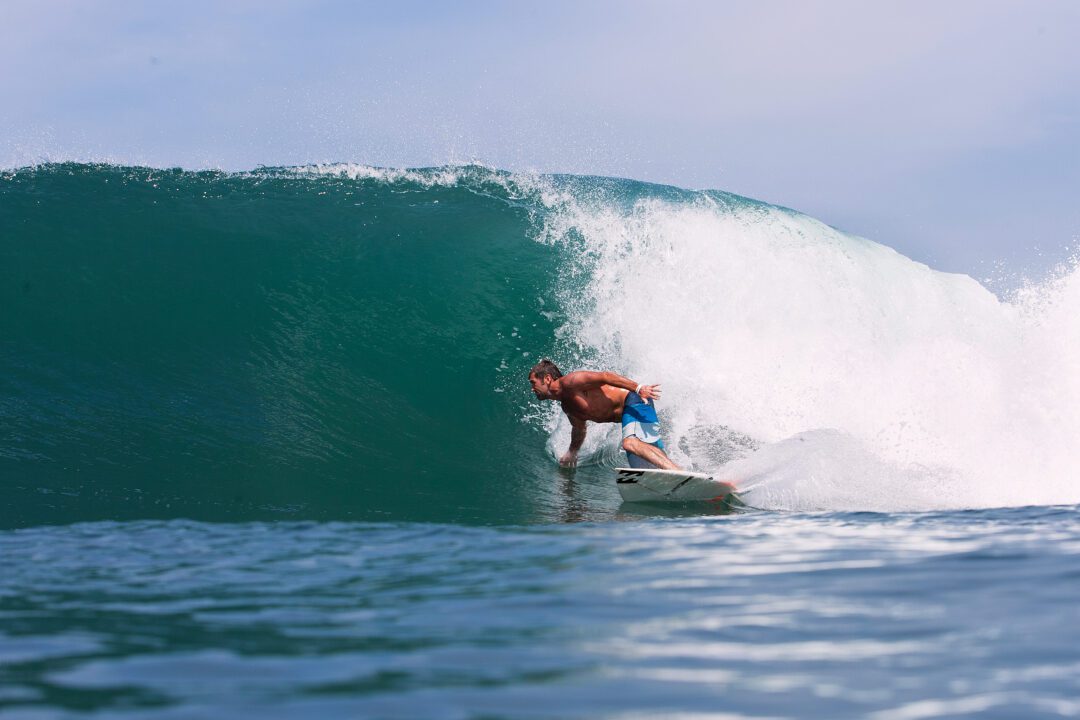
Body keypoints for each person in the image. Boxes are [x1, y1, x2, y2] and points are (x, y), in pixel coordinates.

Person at [528, 359, 681, 470]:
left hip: (634, 400)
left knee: (629, 443)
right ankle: (683, 479)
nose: (532, 388)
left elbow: (606, 376)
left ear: (547, 379)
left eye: (533, 382)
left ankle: (677, 472)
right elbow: (579, 429)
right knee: (646, 467)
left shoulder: (571, 382)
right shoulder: (568, 406)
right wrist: (572, 452)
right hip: (633, 414)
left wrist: (638, 388)